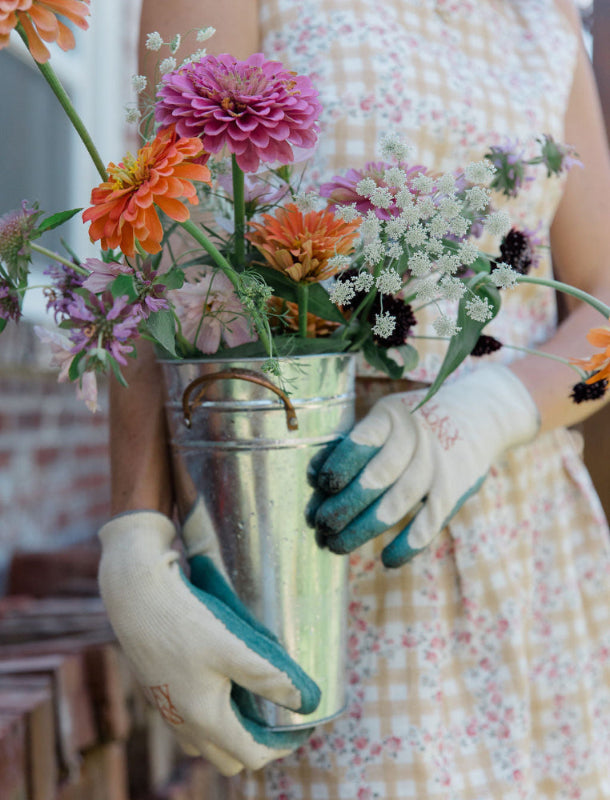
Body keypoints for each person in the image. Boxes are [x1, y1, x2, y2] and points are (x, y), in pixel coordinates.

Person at [98, 0, 610, 796]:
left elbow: (602, 305)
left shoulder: (545, 24)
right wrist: (135, 533)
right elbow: (160, 234)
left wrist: (490, 413)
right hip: (321, 546)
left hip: (535, 554)